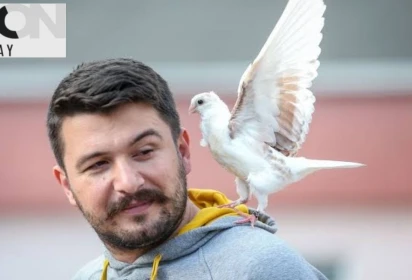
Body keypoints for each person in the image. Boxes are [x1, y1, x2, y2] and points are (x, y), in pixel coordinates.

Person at [46, 58, 329, 280]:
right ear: (67, 186)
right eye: (98, 165)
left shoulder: (262, 269)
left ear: (183, 151)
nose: (129, 183)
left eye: (144, 152)